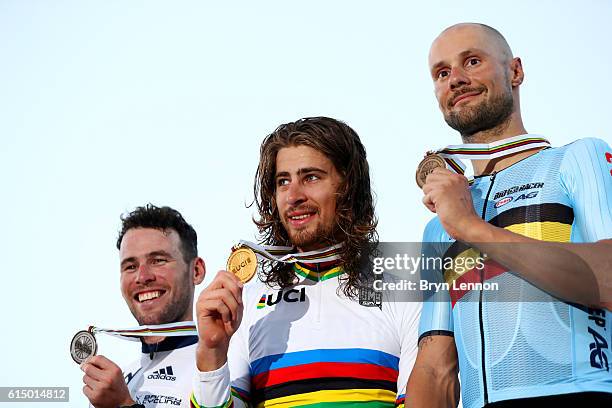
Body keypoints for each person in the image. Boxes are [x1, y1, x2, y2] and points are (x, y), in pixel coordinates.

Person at [407, 23, 612, 408]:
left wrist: (470, 227)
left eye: (472, 61)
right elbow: (437, 368)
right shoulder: (440, 225)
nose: (456, 79)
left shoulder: (577, 159)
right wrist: (456, 221)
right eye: (442, 72)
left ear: (515, 71)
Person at [191, 117, 421, 407]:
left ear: (348, 186)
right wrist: (211, 352)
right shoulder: (247, 304)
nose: (294, 196)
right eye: (283, 181)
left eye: (310, 177)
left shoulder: (407, 293)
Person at [80, 204, 205, 408]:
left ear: (196, 271)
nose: (142, 277)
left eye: (158, 260)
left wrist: (123, 405)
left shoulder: (223, 366)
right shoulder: (119, 380)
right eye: (130, 266)